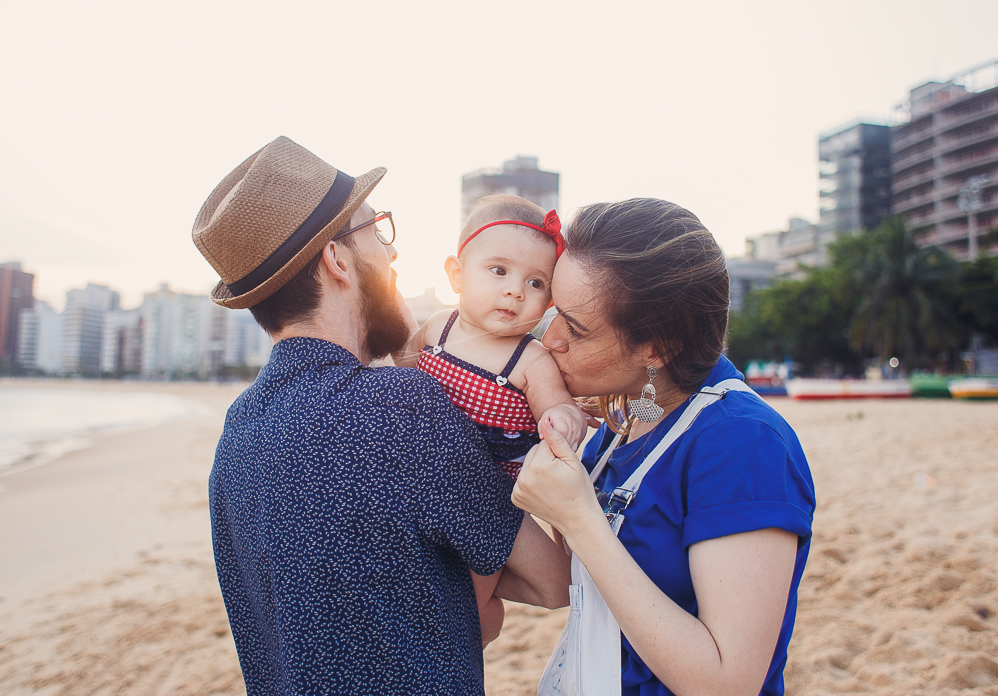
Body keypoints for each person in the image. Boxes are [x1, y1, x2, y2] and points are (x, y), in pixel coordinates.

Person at [193, 137, 569, 696]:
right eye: (377, 231)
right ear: (337, 260)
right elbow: (554, 582)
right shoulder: (402, 407)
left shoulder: (237, 434)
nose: (392, 254)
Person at [511, 198, 816, 696]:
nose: (551, 338)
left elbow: (727, 683)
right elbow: (567, 582)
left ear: (657, 348)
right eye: (553, 312)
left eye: (576, 327)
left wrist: (579, 518)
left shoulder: (743, 444)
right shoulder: (622, 421)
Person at [395, 194, 589, 645]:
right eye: (499, 270)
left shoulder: (530, 359)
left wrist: (564, 420)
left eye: (536, 282)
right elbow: (398, 373)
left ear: (550, 301)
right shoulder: (437, 328)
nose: (515, 291)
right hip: (423, 479)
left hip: (488, 497)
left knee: (475, 599)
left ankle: (474, 631)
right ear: (457, 275)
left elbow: (557, 405)